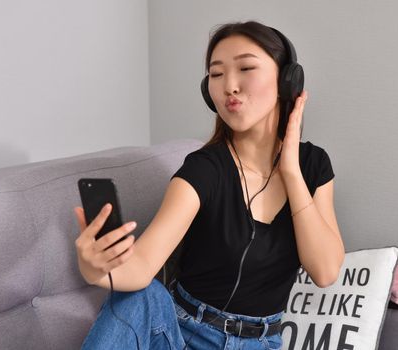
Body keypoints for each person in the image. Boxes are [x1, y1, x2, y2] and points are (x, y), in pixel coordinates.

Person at [74, 20, 345, 350]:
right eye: (216, 74)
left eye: (246, 67)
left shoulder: (313, 166)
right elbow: (143, 266)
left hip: (260, 342)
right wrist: (95, 269)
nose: (230, 85)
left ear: (287, 81)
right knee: (141, 296)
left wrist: (290, 169)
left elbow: (325, 271)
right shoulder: (203, 170)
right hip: (180, 333)